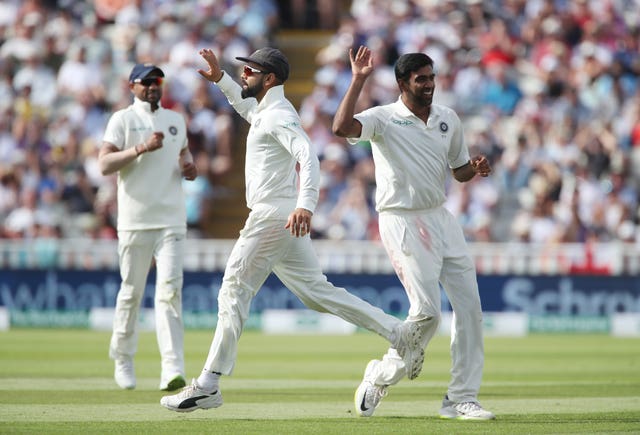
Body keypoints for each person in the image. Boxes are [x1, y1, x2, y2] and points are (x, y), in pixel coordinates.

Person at [160, 47, 424, 413]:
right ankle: (399, 334)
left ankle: (208, 383)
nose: (244, 76)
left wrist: (307, 204)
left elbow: (307, 155)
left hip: (273, 216)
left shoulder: (280, 114)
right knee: (317, 293)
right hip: (281, 217)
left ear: (269, 79)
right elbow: (245, 108)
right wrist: (220, 78)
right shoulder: (267, 110)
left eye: (249, 71)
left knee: (234, 289)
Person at [332, 46, 496, 420]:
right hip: (401, 219)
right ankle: (381, 374)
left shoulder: (447, 118)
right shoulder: (383, 118)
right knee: (427, 314)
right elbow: (341, 127)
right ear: (402, 83)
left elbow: (458, 172)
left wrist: (475, 168)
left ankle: (460, 398)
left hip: (440, 217)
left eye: (432, 77)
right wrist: (358, 79)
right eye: (421, 79)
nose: (430, 85)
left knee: (470, 308)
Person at [99, 63, 197, 391]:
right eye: (147, 81)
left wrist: (189, 168)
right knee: (132, 292)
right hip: (135, 220)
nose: (154, 86)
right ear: (132, 86)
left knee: (170, 291)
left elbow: (184, 156)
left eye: (158, 81)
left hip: (171, 219)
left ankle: (172, 368)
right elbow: (104, 164)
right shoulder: (122, 120)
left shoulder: (175, 120)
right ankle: (123, 358)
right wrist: (140, 148)